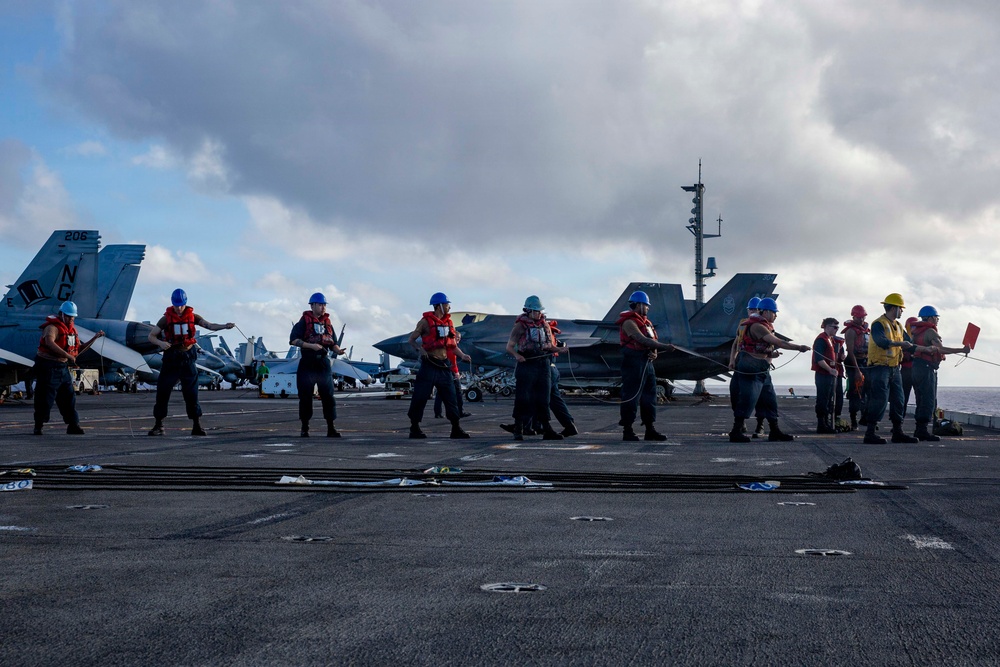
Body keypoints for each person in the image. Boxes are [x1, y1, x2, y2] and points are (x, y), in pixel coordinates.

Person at [147, 289, 235, 436]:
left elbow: (210, 326)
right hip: (171, 359)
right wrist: (160, 344)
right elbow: (151, 336)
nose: (178, 308)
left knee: (191, 393)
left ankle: (196, 425)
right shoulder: (165, 319)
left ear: (185, 303)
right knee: (162, 392)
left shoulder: (193, 317)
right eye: (176, 305)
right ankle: (159, 425)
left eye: (181, 305)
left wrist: (225, 326)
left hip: (188, 358)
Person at [728, 298, 810, 443]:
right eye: (773, 312)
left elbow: (742, 345)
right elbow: (778, 342)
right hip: (752, 366)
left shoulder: (750, 325)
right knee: (747, 399)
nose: (775, 316)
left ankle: (774, 431)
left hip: (760, 368)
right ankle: (736, 431)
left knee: (770, 400)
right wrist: (799, 347)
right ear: (765, 311)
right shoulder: (758, 326)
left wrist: (733, 361)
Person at [32, 301, 105, 435]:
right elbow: (49, 342)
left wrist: (94, 338)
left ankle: (73, 425)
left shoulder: (72, 331)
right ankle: (39, 425)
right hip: (48, 367)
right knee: (45, 398)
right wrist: (68, 356)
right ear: (61, 314)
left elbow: (78, 350)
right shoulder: (52, 327)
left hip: (62, 367)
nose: (71, 319)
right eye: (69, 316)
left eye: (73, 316)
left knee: (69, 397)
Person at [406, 292, 472, 439]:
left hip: (444, 366)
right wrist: (420, 349)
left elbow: (452, 346)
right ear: (439, 306)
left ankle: (456, 428)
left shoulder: (449, 324)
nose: (449, 307)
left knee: (451, 398)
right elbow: (411, 340)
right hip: (429, 365)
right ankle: (414, 427)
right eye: (447, 304)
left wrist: (463, 356)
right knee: (420, 397)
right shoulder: (424, 322)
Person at [502, 296, 565, 440]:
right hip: (527, 364)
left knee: (544, 398)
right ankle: (518, 428)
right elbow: (509, 347)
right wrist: (517, 355)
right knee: (523, 398)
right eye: (536, 311)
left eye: (540, 311)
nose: (539, 314)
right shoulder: (520, 326)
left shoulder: (545, 325)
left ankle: (546, 428)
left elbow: (548, 346)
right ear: (528, 310)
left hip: (543, 364)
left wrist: (560, 350)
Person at [616, 291, 676, 441]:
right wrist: (664, 347)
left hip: (647, 363)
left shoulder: (646, 322)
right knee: (631, 396)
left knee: (650, 396)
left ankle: (650, 429)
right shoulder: (629, 322)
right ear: (638, 305)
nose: (648, 308)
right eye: (646, 305)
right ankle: (627, 430)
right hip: (633, 363)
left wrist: (655, 352)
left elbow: (651, 340)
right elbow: (641, 339)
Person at [862, 293, 919, 444]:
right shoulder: (878, 324)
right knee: (879, 400)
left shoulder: (899, 326)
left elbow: (910, 345)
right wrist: (901, 345)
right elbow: (881, 341)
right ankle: (870, 433)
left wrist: (930, 349)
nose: (902, 312)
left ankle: (897, 432)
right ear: (894, 308)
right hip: (879, 368)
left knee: (899, 400)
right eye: (901, 309)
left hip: (894, 368)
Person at [289, 293, 347, 437]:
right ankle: (305, 428)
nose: (323, 307)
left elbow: (332, 342)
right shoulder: (303, 323)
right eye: (320, 304)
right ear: (312, 305)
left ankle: (331, 428)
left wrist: (338, 350)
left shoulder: (327, 323)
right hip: (307, 362)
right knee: (305, 396)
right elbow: (293, 340)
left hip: (323, 363)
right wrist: (310, 346)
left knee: (328, 396)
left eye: (324, 305)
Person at [909, 305, 970, 441]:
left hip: (916, 368)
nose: (937, 321)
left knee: (920, 399)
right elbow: (940, 349)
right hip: (926, 369)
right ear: (930, 317)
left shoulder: (916, 332)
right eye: (936, 318)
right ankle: (922, 430)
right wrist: (961, 350)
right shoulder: (930, 331)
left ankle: (919, 429)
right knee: (929, 400)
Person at [729, 297, 767, 438]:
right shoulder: (743, 324)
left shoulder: (764, 326)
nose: (752, 311)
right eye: (750, 309)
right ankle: (740, 424)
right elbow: (735, 343)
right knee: (736, 393)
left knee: (761, 396)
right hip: (742, 361)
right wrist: (732, 360)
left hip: (759, 364)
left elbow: (771, 345)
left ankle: (760, 425)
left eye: (755, 309)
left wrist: (766, 363)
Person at [841, 305, 870, 430]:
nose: (861, 320)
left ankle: (865, 418)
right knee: (855, 391)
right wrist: (857, 370)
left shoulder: (867, 331)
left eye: (863, 317)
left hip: (865, 361)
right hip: (853, 362)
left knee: (867, 389)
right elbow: (851, 352)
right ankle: (853, 420)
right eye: (858, 317)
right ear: (853, 317)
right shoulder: (851, 331)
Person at [812, 318, 840, 434]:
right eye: (835, 327)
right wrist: (830, 369)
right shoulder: (821, 340)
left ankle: (826, 423)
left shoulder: (830, 340)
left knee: (829, 399)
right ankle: (821, 424)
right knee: (823, 399)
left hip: (829, 374)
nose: (836, 330)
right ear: (827, 327)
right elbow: (819, 359)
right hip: (823, 374)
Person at [434, 331, 469, 419]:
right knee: (457, 393)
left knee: (440, 393)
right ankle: (459, 412)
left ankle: (438, 413)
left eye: (459, 338)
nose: (458, 340)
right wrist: (456, 373)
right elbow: (452, 362)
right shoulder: (451, 348)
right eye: (457, 338)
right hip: (450, 373)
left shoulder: (445, 347)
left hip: (444, 372)